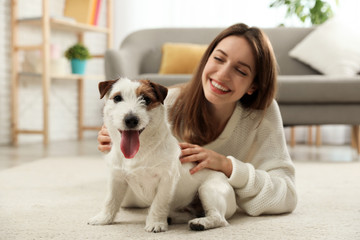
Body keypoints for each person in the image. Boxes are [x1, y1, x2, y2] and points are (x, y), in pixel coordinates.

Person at [97, 23, 297, 217]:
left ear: (253, 86)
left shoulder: (263, 113)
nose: (222, 74)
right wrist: (117, 144)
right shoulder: (163, 104)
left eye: (241, 71)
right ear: (206, 60)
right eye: (219, 59)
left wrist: (227, 166)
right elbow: (130, 200)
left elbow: (286, 195)